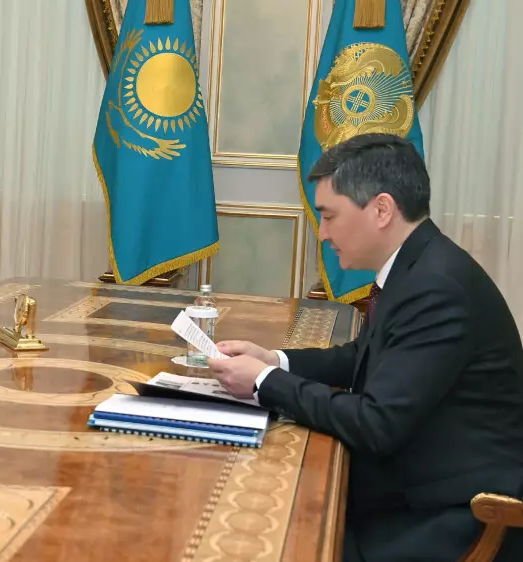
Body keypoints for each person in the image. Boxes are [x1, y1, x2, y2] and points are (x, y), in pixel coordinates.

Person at [208, 133, 523, 561]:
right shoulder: (418, 265)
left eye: (329, 216)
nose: (322, 234)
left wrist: (265, 381)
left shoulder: (437, 287)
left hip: (453, 514)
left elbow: (377, 422)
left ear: (381, 209)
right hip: (412, 488)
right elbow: (363, 356)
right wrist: (275, 360)